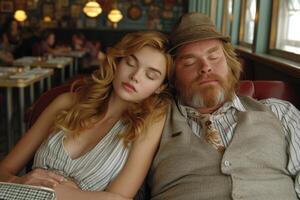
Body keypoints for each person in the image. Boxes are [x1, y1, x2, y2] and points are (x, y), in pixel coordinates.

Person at [0, 31, 173, 200]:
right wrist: (19, 181)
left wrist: (50, 193)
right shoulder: (66, 103)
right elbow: (4, 170)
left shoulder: (149, 122)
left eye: (150, 75)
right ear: (118, 62)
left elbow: (119, 198)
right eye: (130, 63)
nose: (135, 76)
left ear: (160, 87)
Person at [147, 12, 300, 200]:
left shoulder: (280, 113)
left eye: (214, 57)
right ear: (172, 75)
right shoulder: (152, 123)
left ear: (229, 63)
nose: (205, 67)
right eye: (189, 61)